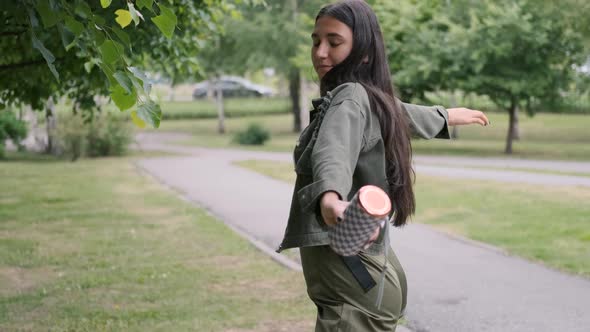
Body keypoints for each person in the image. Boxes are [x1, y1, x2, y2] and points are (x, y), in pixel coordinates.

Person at [277, 1, 489, 331]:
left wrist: (330, 196)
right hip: (366, 281)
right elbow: (395, 111)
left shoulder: (349, 97)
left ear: (363, 50)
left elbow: (333, 149)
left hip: (355, 291)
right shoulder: (364, 97)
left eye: (334, 42)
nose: (320, 52)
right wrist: (444, 116)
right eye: (315, 40)